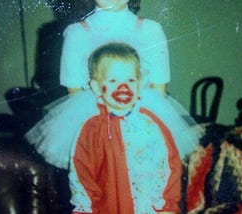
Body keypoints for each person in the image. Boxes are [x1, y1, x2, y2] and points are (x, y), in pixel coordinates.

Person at [26, 0, 201, 169]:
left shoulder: (150, 30)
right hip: (97, 126)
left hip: (142, 125)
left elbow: (159, 91)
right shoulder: (76, 33)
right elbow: (75, 94)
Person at [68, 42, 182, 213]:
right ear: (97, 87)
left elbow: (169, 165)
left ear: (140, 84)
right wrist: (84, 209)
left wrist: (167, 206)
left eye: (130, 79)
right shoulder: (90, 130)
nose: (123, 87)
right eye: (113, 80)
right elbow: (80, 175)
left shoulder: (151, 125)